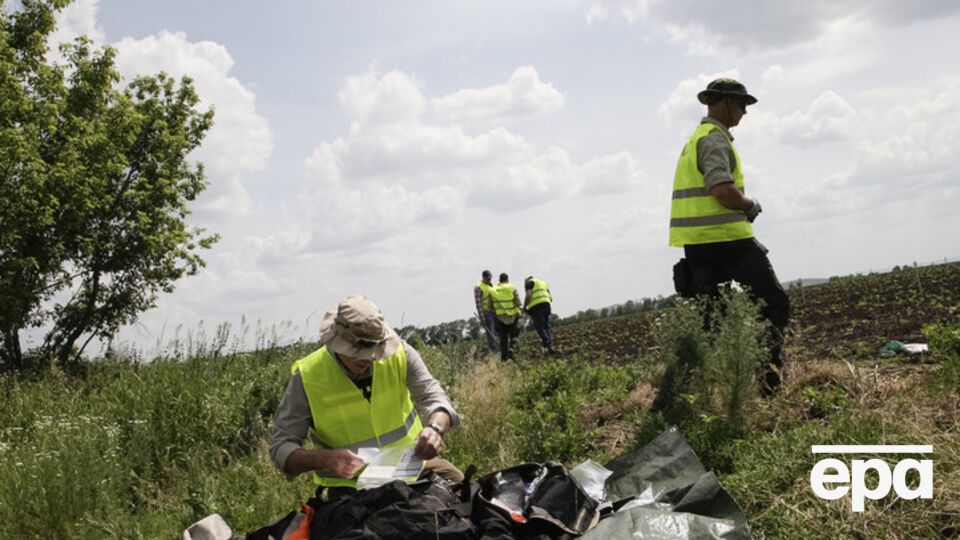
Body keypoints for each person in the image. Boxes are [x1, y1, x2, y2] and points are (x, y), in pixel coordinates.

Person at [270, 295, 463, 498]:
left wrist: (436, 428)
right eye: (357, 353)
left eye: (375, 352)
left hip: (414, 468)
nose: (368, 360)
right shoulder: (308, 376)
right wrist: (325, 459)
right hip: (351, 487)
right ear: (336, 343)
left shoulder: (402, 354)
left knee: (467, 495)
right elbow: (281, 448)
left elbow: (434, 397)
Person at [668, 77, 790, 393]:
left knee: (708, 324)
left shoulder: (696, 138)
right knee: (774, 303)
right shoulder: (714, 139)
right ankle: (770, 383)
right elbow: (722, 190)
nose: (745, 113)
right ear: (724, 103)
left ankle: (692, 392)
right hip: (727, 241)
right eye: (741, 105)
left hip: (698, 247)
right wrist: (749, 205)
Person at [490, 273, 522, 361]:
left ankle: (504, 358)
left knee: (503, 339)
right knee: (513, 337)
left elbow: (490, 304)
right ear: (507, 279)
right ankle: (513, 356)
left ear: (499, 280)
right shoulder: (512, 287)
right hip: (513, 316)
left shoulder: (493, 290)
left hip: (500, 317)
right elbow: (518, 302)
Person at [523, 275, 557, 355]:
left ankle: (548, 345)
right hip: (547, 305)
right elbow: (550, 297)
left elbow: (528, 295)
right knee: (546, 327)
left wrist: (525, 307)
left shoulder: (529, 283)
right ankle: (550, 346)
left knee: (540, 328)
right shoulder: (543, 283)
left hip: (537, 308)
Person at [474, 270, 498, 353]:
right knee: (490, 333)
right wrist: (482, 317)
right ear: (483, 277)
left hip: (496, 312)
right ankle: (493, 351)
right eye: (488, 278)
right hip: (487, 313)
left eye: (490, 278)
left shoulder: (491, 286)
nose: (489, 279)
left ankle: (502, 349)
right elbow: (478, 304)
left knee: (500, 331)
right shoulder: (479, 287)